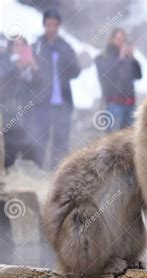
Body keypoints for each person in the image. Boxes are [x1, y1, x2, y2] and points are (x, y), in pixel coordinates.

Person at [32, 8, 81, 169]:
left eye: (54, 24)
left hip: (63, 104)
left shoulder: (65, 46)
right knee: (39, 141)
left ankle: (56, 176)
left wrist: (64, 55)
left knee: (61, 143)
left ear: (59, 26)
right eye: (48, 24)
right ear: (44, 25)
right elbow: (28, 76)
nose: (51, 28)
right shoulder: (37, 45)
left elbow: (76, 72)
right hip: (42, 104)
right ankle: (36, 173)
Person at [0, 36, 40, 168]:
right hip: (9, 117)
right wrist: (16, 68)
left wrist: (34, 68)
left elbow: (41, 86)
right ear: (11, 48)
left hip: (28, 117)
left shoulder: (32, 64)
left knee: (31, 154)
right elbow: (4, 84)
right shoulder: (5, 62)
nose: (19, 49)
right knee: (9, 155)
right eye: (16, 45)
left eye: (22, 46)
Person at [95, 28, 142, 131]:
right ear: (112, 39)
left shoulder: (127, 57)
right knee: (113, 140)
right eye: (118, 39)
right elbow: (108, 75)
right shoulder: (104, 56)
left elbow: (138, 75)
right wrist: (120, 58)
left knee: (129, 140)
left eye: (123, 39)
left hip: (130, 103)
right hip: (114, 103)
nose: (121, 42)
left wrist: (132, 58)